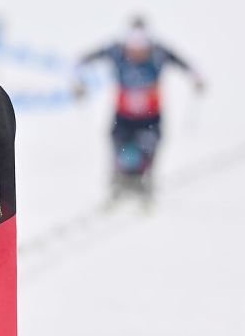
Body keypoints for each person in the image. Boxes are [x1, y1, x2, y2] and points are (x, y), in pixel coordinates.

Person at [76, 16, 204, 204]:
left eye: (141, 48)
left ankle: (145, 182)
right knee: (119, 147)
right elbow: (81, 61)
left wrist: (197, 79)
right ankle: (118, 181)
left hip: (150, 117)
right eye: (133, 48)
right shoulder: (116, 51)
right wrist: (78, 83)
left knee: (148, 148)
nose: (136, 52)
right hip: (123, 116)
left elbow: (186, 65)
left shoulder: (159, 53)